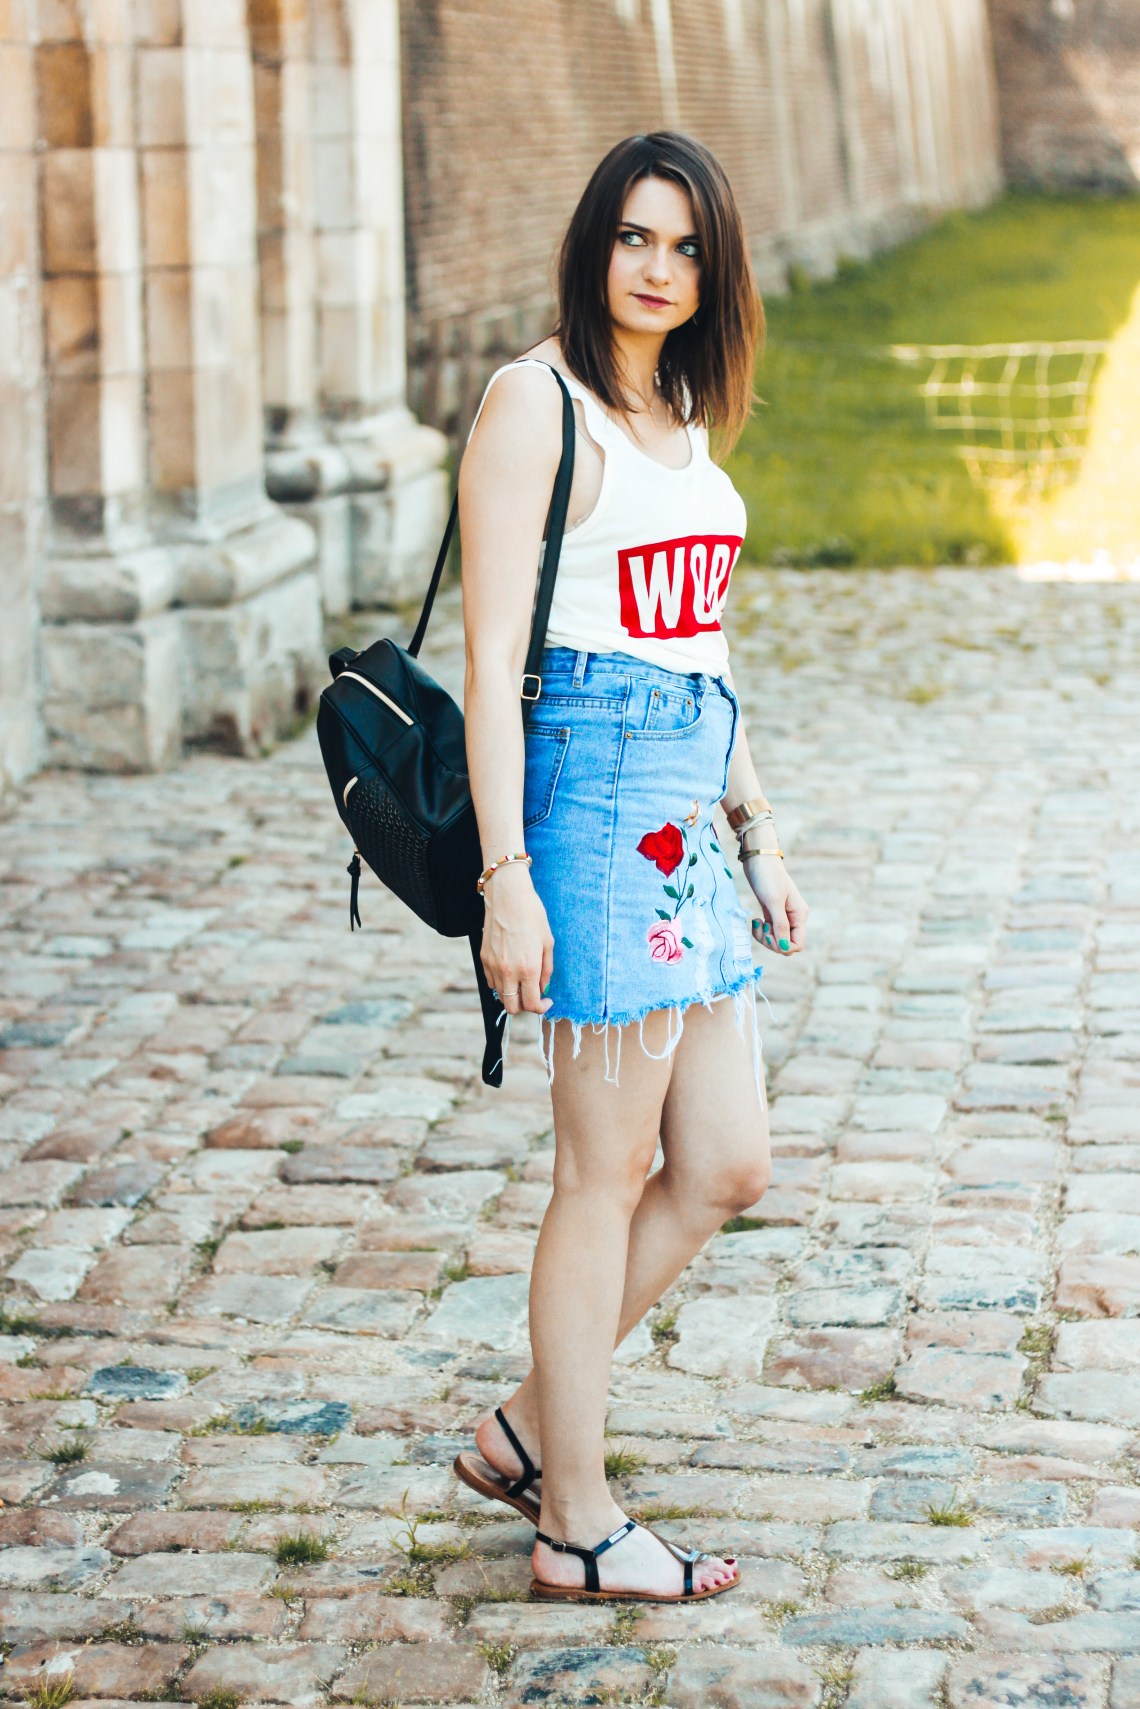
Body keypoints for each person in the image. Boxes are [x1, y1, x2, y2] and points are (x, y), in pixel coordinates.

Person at [453, 132, 808, 1604]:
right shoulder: (533, 404)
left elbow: (701, 644)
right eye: (634, 238)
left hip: (684, 814)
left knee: (726, 1161)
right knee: (599, 1173)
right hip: (591, 811)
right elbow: (488, 665)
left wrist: (756, 830)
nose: (658, 270)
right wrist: (506, 877)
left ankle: (531, 1423)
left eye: (687, 249)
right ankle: (576, 1519)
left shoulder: (681, 416)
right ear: (594, 242)